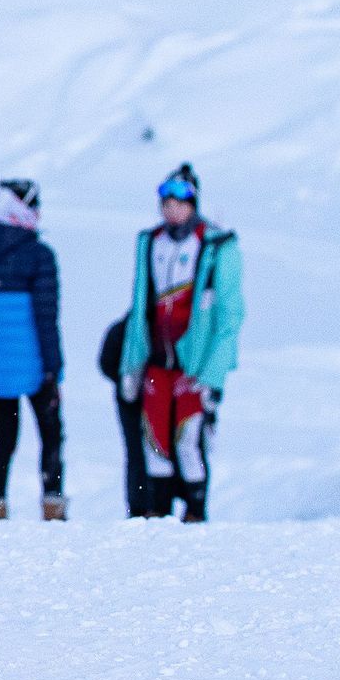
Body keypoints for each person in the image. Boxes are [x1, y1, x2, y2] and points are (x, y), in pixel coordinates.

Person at [119, 164, 245, 523]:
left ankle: (195, 512)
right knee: (155, 439)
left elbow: (230, 316)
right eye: (166, 201)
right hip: (158, 361)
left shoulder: (216, 245)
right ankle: (159, 514)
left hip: (195, 364)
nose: (173, 209)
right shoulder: (151, 242)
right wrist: (132, 363)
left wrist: (213, 375)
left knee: (188, 441)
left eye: (181, 200)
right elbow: (140, 305)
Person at [0, 179, 65, 520]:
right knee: (50, 432)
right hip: (34, 363)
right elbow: (46, 317)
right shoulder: (39, 256)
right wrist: (54, 367)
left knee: (3, 434)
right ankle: (52, 500)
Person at [98, 315, 163, 517]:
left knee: (139, 451)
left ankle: (143, 505)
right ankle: (149, 505)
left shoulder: (125, 327)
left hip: (135, 399)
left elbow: (106, 362)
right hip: (134, 401)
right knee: (146, 450)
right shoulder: (132, 328)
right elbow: (106, 362)